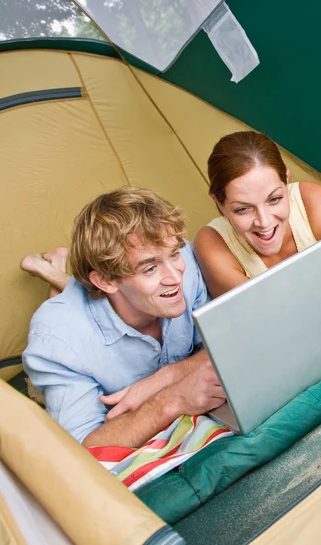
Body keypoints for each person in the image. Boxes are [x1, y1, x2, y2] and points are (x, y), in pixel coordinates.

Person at [21, 186, 225, 448]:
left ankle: (54, 268)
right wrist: (173, 399)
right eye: (150, 268)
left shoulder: (184, 261)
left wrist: (162, 379)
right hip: (65, 347)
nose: (175, 277)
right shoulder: (58, 343)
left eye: (173, 254)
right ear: (106, 280)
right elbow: (83, 449)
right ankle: (53, 270)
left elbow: (229, 338)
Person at [194, 131, 321, 298]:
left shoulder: (311, 199)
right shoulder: (211, 243)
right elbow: (263, 316)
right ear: (219, 203)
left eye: (274, 199)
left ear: (286, 180)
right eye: (242, 209)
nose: (264, 222)